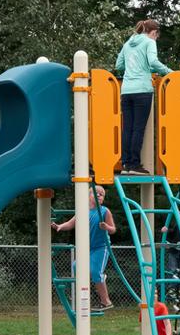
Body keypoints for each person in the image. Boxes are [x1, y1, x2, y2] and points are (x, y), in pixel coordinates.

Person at [114, 19, 170, 174]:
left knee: (128, 128)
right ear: (154, 32)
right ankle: (135, 165)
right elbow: (153, 61)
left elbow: (118, 65)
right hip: (142, 89)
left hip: (126, 91)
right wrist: (170, 73)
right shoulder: (149, 42)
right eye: (156, 36)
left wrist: (133, 69)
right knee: (138, 128)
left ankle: (126, 164)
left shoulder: (127, 44)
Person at [55, 185, 117, 313]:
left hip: (101, 247)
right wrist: (59, 226)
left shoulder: (105, 211)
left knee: (95, 272)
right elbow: (71, 223)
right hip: (87, 248)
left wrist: (106, 227)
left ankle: (106, 301)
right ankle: (83, 295)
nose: (99, 195)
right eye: (97, 193)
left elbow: (113, 229)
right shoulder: (83, 210)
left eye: (102, 194)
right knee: (76, 266)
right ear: (89, 196)